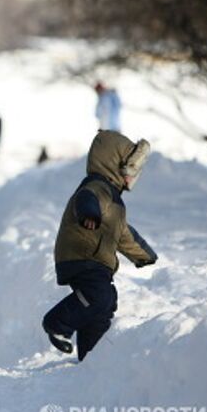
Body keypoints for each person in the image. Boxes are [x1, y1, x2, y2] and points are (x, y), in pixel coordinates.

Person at [42, 130, 157, 361]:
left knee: (105, 304)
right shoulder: (96, 187)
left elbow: (123, 233)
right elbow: (86, 200)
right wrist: (90, 214)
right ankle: (57, 323)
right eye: (130, 168)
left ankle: (91, 355)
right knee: (99, 296)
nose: (132, 176)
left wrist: (144, 255)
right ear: (115, 164)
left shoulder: (116, 202)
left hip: (96, 262)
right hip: (81, 255)